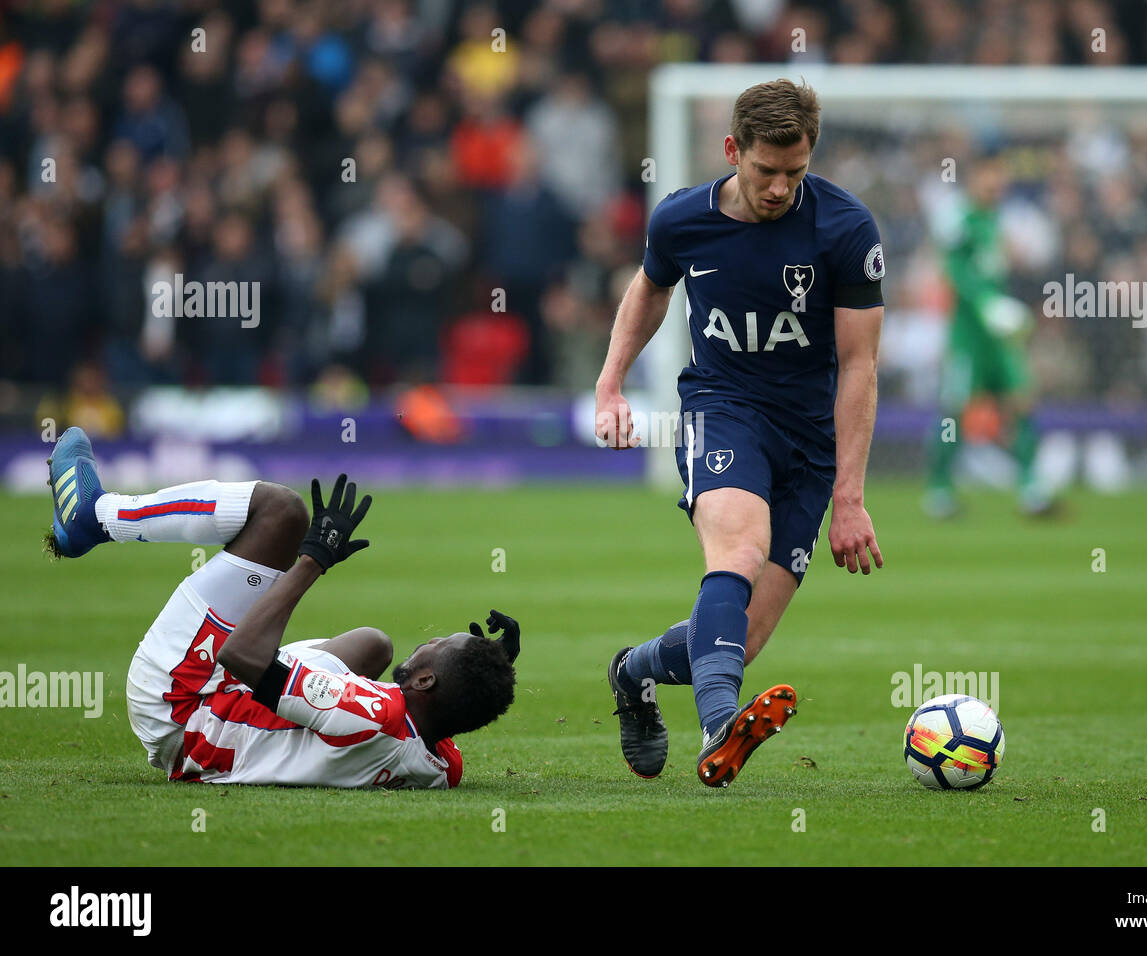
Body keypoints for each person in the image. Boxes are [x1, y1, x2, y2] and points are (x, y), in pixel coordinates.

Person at [594, 79, 886, 788]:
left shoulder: (846, 229)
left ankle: (632, 671)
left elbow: (859, 365)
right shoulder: (681, 220)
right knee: (740, 546)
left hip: (811, 443)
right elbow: (650, 288)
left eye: (796, 172)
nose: (782, 188)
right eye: (766, 171)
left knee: (739, 639)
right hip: (722, 407)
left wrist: (849, 495)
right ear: (733, 151)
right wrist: (610, 383)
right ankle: (720, 724)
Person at [44, 426, 518, 788]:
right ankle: (89, 523)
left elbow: (242, 656)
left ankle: (95, 516)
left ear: (426, 680)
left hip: (183, 708)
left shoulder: (367, 713)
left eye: (441, 644)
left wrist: (314, 559)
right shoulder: (443, 764)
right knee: (375, 645)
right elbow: (455, 708)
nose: (433, 638)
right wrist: (491, 669)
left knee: (283, 513)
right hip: (231, 720)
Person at [924, 151, 1053, 518]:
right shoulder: (957, 217)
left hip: (998, 336)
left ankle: (1031, 489)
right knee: (954, 413)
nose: (997, 181)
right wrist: (985, 304)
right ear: (973, 176)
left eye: (1001, 174)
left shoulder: (997, 217)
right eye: (989, 174)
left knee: (1022, 401)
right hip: (968, 335)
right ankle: (939, 491)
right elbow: (952, 268)